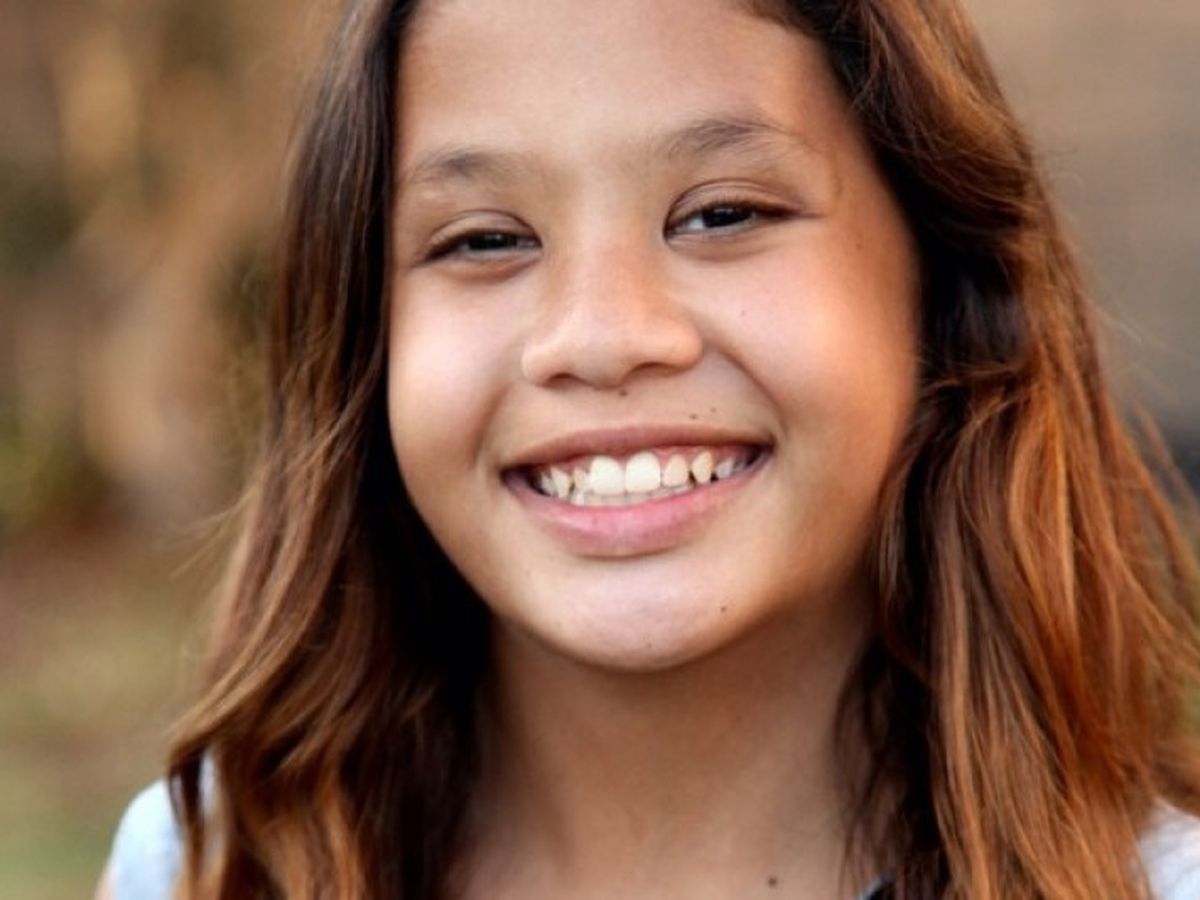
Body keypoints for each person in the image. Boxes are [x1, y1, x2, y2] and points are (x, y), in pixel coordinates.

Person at [97, 0, 1200, 897]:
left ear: (939, 285)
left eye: (722, 215)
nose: (602, 338)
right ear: (364, 340)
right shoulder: (207, 869)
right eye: (486, 239)